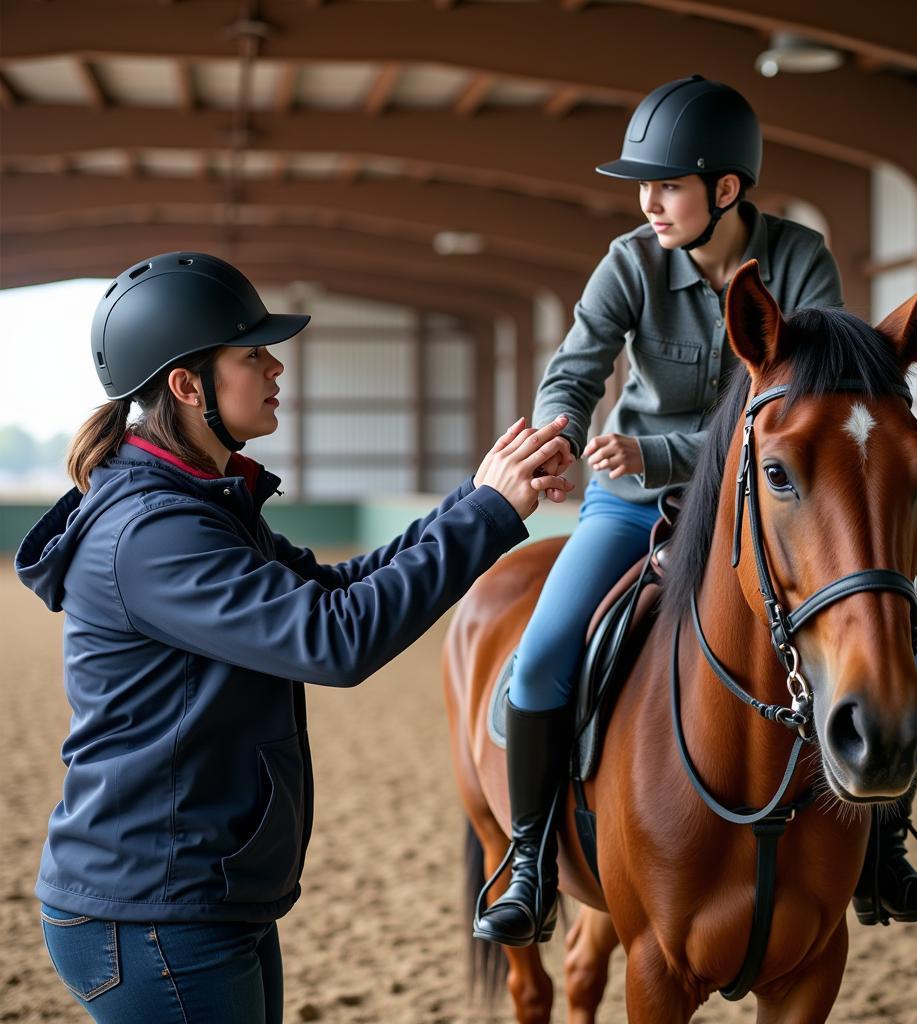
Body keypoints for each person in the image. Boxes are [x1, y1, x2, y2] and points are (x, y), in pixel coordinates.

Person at [16, 251, 574, 1021]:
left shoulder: (201, 504)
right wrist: (490, 518)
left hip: (203, 893)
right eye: (252, 355)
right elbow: (335, 640)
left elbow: (333, 587)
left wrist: (475, 499)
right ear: (187, 385)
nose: (275, 368)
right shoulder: (154, 533)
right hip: (155, 911)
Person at [472, 74, 917, 949]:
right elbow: (578, 365)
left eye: (666, 184)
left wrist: (659, 450)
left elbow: (791, 425)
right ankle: (530, 858)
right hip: (630, 508)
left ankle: (883, 851)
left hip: (764, 505)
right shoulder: (630, 261)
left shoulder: (803, 261)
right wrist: (560, 434)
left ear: (725, 189)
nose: (648, 202)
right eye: (644, 185)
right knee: (540, 659)